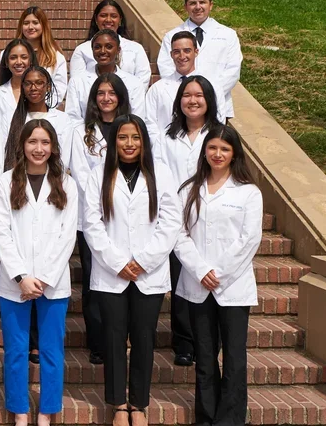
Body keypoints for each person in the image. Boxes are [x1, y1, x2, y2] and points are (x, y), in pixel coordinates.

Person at [83, 114, 182, 426]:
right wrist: (118, 262)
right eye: (123, 137)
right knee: (113, 339)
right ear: (114, 142)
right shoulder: (99, 173)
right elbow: (92, 222)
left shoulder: (161, 174)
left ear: (144, 142)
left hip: (147, 273)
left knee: (143, 338)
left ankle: (138, 404)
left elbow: (170, 221)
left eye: (135, 138)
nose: (129, 144)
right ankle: (118, 404)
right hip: (111, 273)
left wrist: (143, 260)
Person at [173, 124, 262, 426]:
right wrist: (201, 270)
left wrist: (218, 273)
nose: (218, 153)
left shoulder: (249, 192)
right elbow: (179, 235)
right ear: (205, 151)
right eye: (212, 147)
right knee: (205, 356)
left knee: (234, 357)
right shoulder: (188, 189)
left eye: (224, 148)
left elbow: (249, 239)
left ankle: (230, 419)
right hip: (198, 284)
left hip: (232, 286)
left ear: (234, 152)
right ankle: (206, 415)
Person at [0, 120, 78, 426]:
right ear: (22, 145)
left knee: (51, 351)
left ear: (53, 146)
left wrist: (42, 278)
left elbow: (67, 235)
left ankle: (46, 412)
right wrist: (21, 276)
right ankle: (19, 411)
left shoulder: (67, 184)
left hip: (52, 284)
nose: (38, 149)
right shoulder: (5, 183)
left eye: (45, 142)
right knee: (16, 351)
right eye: (32, 142)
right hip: (15, 283)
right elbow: (1, 232)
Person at [153, 74, 224, 367]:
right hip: (174, 216)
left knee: (207, 276)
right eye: (186, 95)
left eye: (198, 96)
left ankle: (207, 340)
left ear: (208, 100)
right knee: (180, 277)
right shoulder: (166, 136)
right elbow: (157, 175)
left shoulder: (219, 134)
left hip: (211, 214)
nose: (192, 101)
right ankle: (183, 341)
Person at [68, 73, 132, 365]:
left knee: (124, 280)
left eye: (112, 93)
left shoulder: (132, 129)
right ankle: (98, 342)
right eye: (101, 93)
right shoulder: (82, 131)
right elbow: (81, 174)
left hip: (127, 217)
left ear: (120, 97)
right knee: (95, 282)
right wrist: (104, 198)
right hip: (92, 216)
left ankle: (120, 338)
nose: (106, 98)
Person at [157, 0, 242, 119]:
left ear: (211, 5)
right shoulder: (172, 36)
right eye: (192, 3)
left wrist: (209, 94)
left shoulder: (228, 35)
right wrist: (186, 94)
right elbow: (166, 67)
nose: (198, 7)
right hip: (183, 105)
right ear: (185, 7)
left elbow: (233, 70)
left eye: (202, 2)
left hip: (217, 104)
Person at [145, 32, 224, 139]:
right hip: (165, 150)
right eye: (177, 52)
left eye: (187, 51)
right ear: (171, 54)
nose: (182, 56)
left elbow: (218, 120)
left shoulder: (213, 86)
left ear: (196, 52)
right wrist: (160, 147)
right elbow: (150, 123)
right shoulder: (157, 89)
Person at [65, 29, 146, 122]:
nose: (103, 51)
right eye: (97, 47)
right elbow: (72, 117)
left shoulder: (134, 83)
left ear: (118, 50)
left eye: (109, 46)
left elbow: (137, 118)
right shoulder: (77, 81)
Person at [2, 65, 72, 171]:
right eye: (28, 84)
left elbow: (64, 158)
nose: (33, 88)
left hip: (52, 179)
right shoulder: (8, 118)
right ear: (23, 87)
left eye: (39, 83)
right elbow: (5, 153)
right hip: (18, 179)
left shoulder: (62, 119)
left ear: (48, 87)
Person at [70, 0, 152, 88]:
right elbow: (77, 84)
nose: (108, 20)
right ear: (96, 19)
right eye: (103, 15)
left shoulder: (136, 48)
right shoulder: (82, 50)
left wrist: (123, 98)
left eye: (113, 16)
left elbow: (142, 80)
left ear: (120, 20)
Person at [16, 6, 68, 101]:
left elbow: (58, 91)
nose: (30, 27)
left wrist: (39, 108)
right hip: (15, 110)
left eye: (35, 23)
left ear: (43, 26)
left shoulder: (56, 57)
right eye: (26, 23)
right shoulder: (8, 55)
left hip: (44, 111)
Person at [0, 39, 38, 133]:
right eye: (13, 57)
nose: (19, 62)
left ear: (30, 60)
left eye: (24, 57)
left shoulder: (40, 93)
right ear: (6, 62)